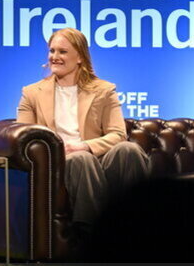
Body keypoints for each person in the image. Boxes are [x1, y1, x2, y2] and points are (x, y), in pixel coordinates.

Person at [16, 27, 148, 248]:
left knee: (129, 150)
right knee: (80, 160)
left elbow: (118, 134)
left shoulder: (104, 90)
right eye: (52, 51)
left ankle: (140, 229)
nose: (55, 57)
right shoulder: (32, 93)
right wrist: (62, 150)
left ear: (80, 57)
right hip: (59, 165)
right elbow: (24, 137)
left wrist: (84, 146)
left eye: (63, 52)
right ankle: (93, 237)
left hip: (96, 158)